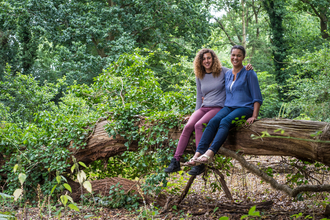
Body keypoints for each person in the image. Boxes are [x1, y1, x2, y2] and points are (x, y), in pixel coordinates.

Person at [164, 48, 253, 174]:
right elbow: (199, 96)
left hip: (218, 107)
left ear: (213, 59)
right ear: (200, 61)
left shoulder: (223, 72)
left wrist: (248, 67)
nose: (206, 61)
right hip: (204, 107)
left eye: (209, 58)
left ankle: (199, 162)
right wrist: (195, 113)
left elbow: (238, 71)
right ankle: (176, 161)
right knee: (189, 125)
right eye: (204, 59)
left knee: (199, 125)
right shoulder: (199, 75)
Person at [187, 45, 263, 176]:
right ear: (230, 56)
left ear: (243, 57)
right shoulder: (227, 74)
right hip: (228, 106)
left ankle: (210, 153)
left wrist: (254, 115)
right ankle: (197, 154)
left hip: (244, 107)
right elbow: (213, 82)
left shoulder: (249, 73)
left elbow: (257, 96)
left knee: (225, 121)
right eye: (233, 55)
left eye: (239, 55)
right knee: (213, 121)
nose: (235, 58)